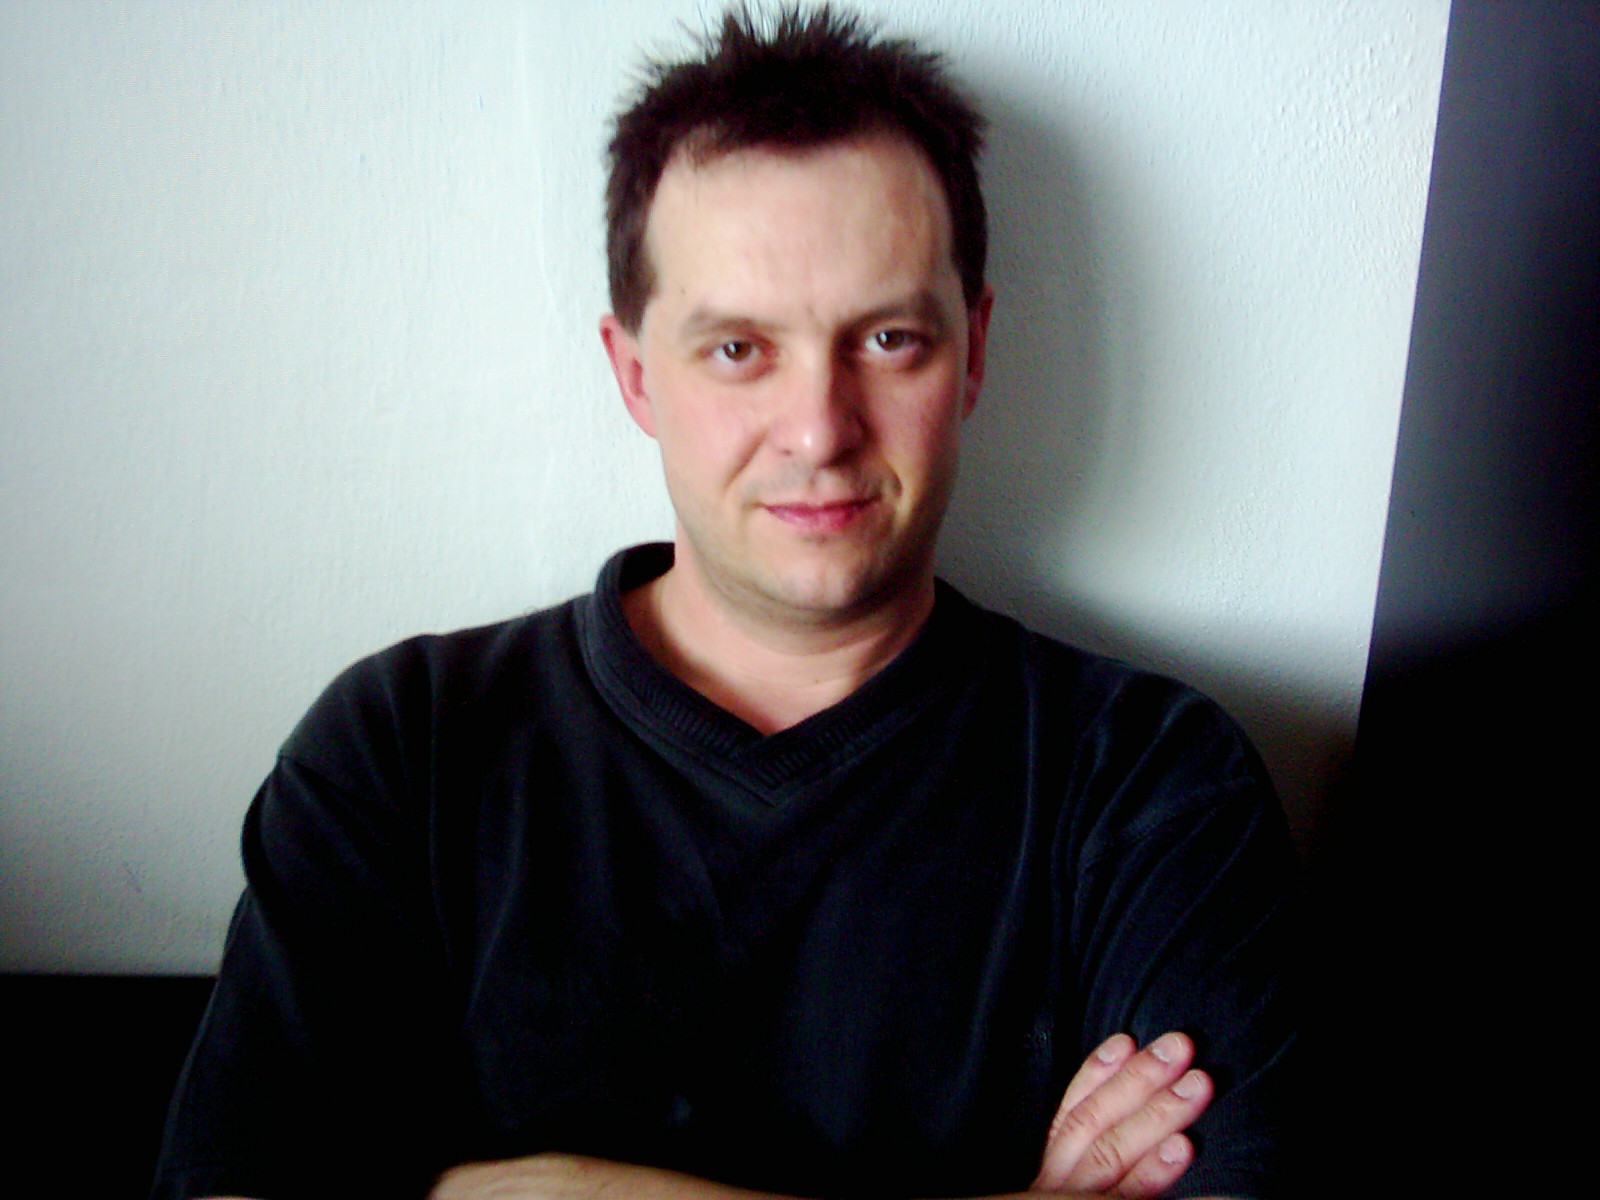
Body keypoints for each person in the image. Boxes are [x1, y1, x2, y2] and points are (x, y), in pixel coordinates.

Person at [152, 7, 1298, 1199]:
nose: (819, 430)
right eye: (739, 350)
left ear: (972, 350)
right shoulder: (404, 748)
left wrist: (568, 1194)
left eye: (888, 339)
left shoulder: (1149, 783)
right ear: (635, 375)